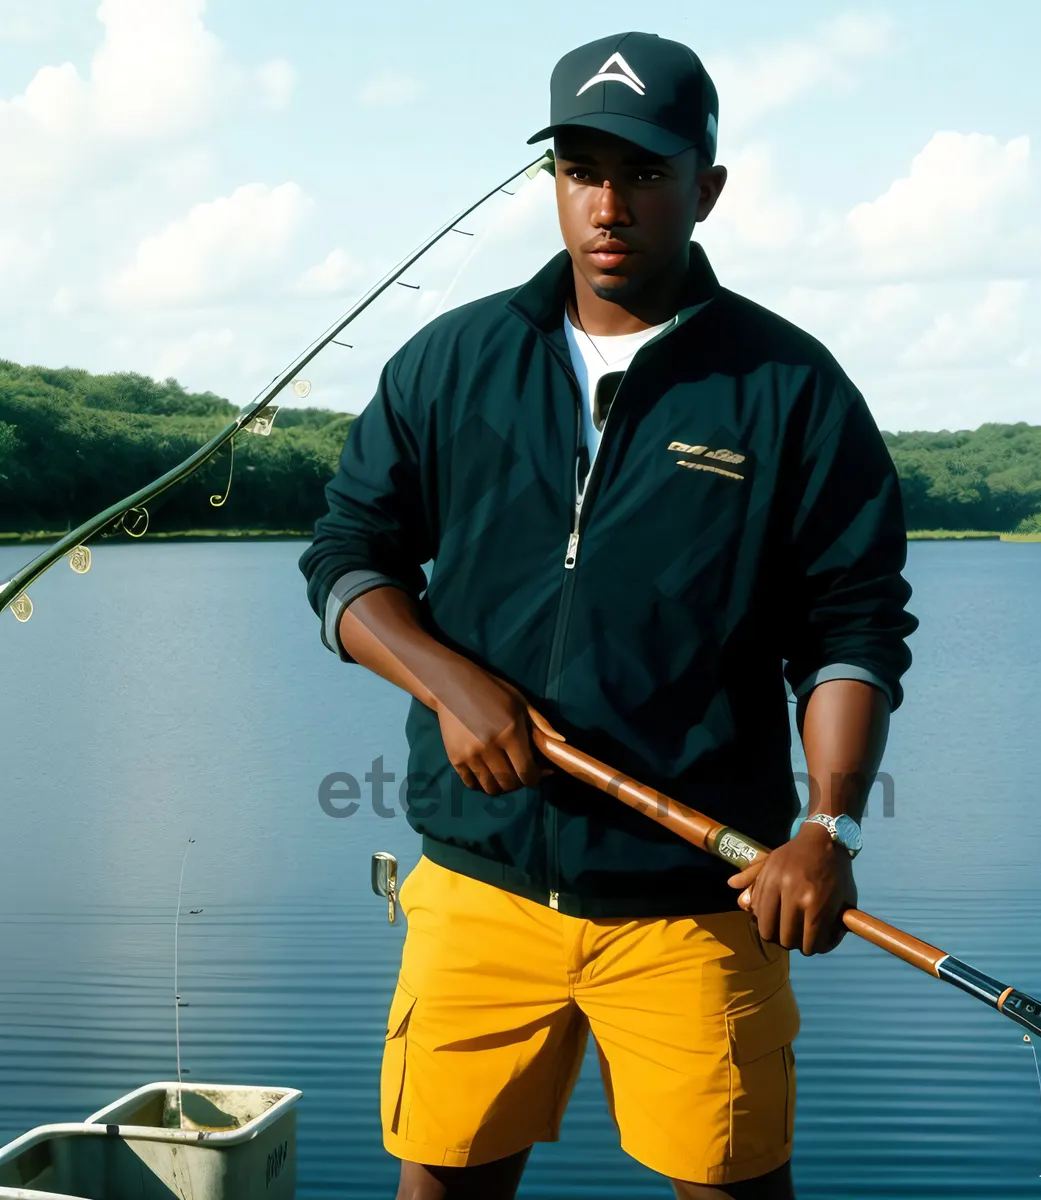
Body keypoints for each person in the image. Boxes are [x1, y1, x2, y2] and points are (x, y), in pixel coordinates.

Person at [299, 30, 917, 1200]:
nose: (610, 203)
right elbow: (345, 559)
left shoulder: (792, 391)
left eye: (643, 170)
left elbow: (851, 631)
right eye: (583, 168)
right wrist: (451, 682)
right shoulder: (452, 361)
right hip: (477, 890)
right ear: (554, 184)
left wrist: (826, 833)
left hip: (695, 908)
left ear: (707, 187)